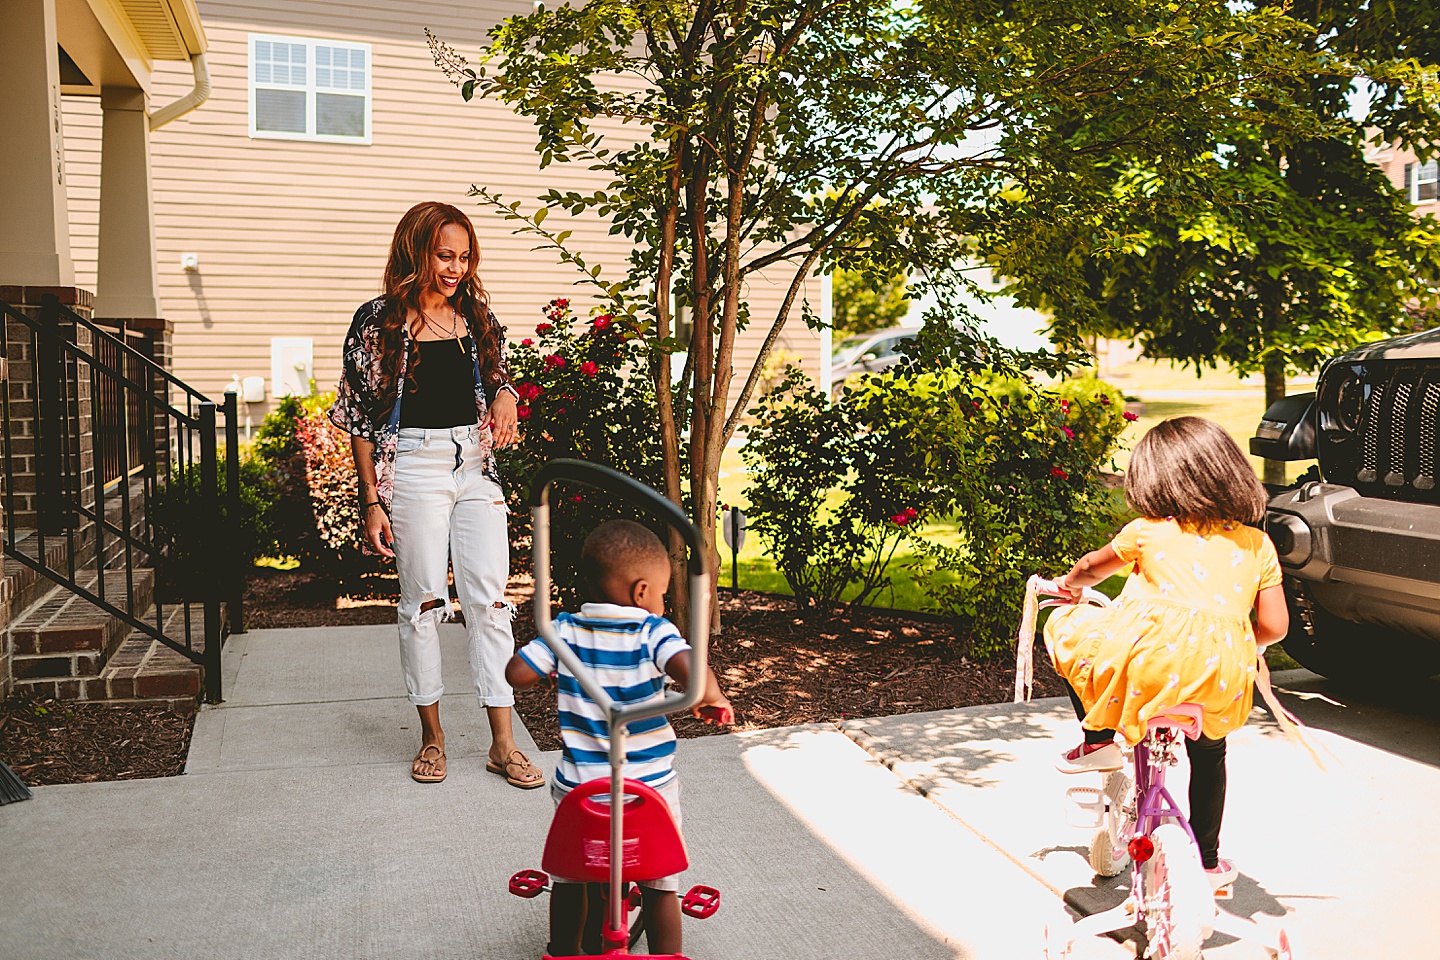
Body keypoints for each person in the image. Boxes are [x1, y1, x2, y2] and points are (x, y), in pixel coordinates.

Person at [329, 200, 544, 789]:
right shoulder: (379, 321)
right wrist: (370, 499)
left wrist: (506, 397)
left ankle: (503, 742)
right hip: (416, 466)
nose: (455, 267)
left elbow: (497, 382)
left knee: (491, 602)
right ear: (415, 252)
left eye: (464, 256)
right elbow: (360, 417)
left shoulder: (475, 315)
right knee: (423, 603)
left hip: (475, 464)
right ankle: (433, 736)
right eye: (443, 255)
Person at [1045, 416, 1289, 889]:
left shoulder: (1149, 531)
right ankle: (1208, 860)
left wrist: (1068, 587)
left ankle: (1097, 738)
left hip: (1149, 666)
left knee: (1071, 631)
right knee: (1210, 754)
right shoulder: (1257, 544)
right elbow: (1275, 626)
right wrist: (1237, 644)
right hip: (1220, 678)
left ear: (1156, 478)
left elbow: (1092, 567)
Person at [505, 520, 734, 956]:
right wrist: (711, 694)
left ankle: (565, 951)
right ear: (643, 591)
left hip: (582, 792)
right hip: (648, 790)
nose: (662, 603)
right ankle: (666, 953)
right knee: (661, 882)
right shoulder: (652, 632)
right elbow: (692, 672)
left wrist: (551, 663)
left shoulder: (563, 631)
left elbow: (516, 674)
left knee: (572, 879)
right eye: (663, 594)